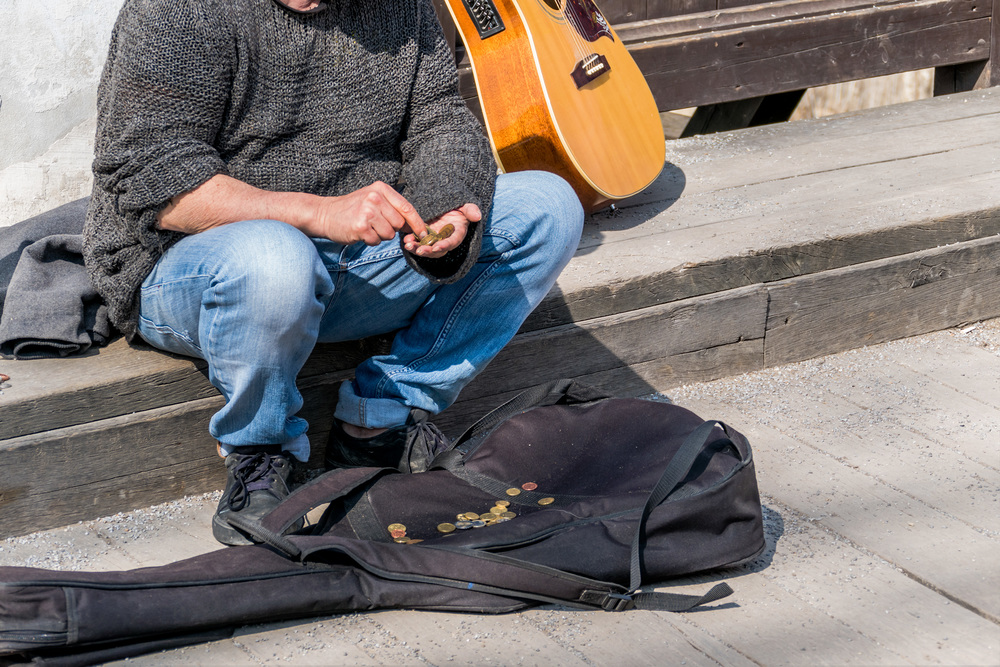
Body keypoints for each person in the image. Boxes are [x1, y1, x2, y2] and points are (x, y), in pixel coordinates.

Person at [83, 0, 584, 545]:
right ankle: (261, 454)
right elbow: (155, 180)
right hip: (196, 269)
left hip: (351, 258)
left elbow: (439, 114)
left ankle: (380, 418)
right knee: (276, 257)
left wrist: (442, 207)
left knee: (547, 205)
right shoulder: (177, 10)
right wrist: (320, 213)